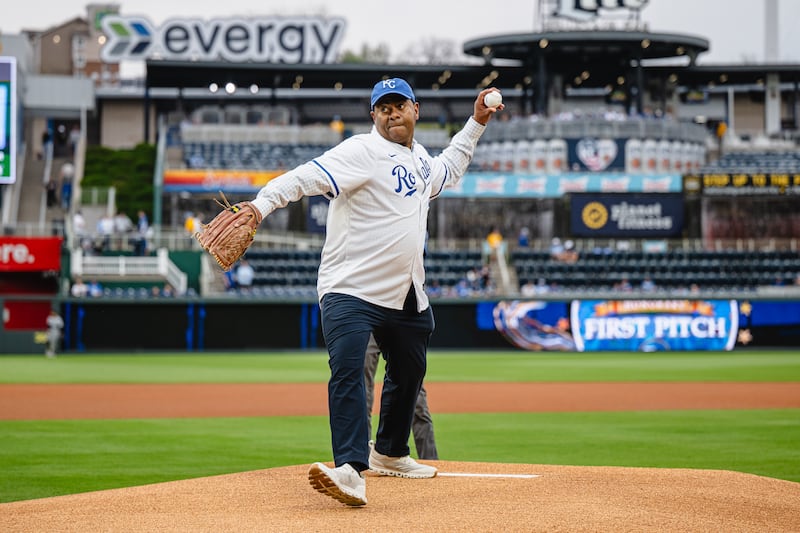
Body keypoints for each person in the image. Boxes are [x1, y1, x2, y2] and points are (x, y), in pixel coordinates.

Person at [235, 77, 503, 507]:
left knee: (410, 373)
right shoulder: (361, 151)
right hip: (350, 289)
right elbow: (305, 177)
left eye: (399, 105)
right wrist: (261, 204)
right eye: (383, 107)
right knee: (348, 371)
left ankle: (392, 452)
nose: (391, 112)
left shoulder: (418, 160)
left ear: (416, 109)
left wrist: (476, 122)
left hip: (406, 294)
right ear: (374, 115)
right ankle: (349, 469)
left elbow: (448, 169)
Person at [363, 334, 438, 460]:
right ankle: (360, 460)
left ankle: (431, 461)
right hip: (367, 324)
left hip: (399, 322)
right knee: (362, 396)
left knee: (417, 401)